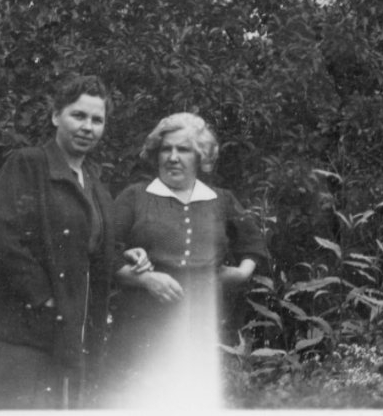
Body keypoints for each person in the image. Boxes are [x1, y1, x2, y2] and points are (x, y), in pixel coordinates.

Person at [0, 75, 119, 409]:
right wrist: (44, 297)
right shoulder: (28, 164)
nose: (87, 127)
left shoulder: (96, 188)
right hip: (18, 334)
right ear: (56, 116)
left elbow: (88, 255)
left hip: (67, 340)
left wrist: (128, 257)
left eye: (97, 120)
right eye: (78, 115)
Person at [103, 113, 266, 408]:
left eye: (184, 149)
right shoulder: (135, 197)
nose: (173, 157)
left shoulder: (220, 200)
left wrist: (242, 273)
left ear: (201, 156)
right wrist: (145, 278)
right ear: (156, 154)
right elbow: (104, 253)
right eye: (166, 149)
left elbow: (252, 243)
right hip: (139, 329)